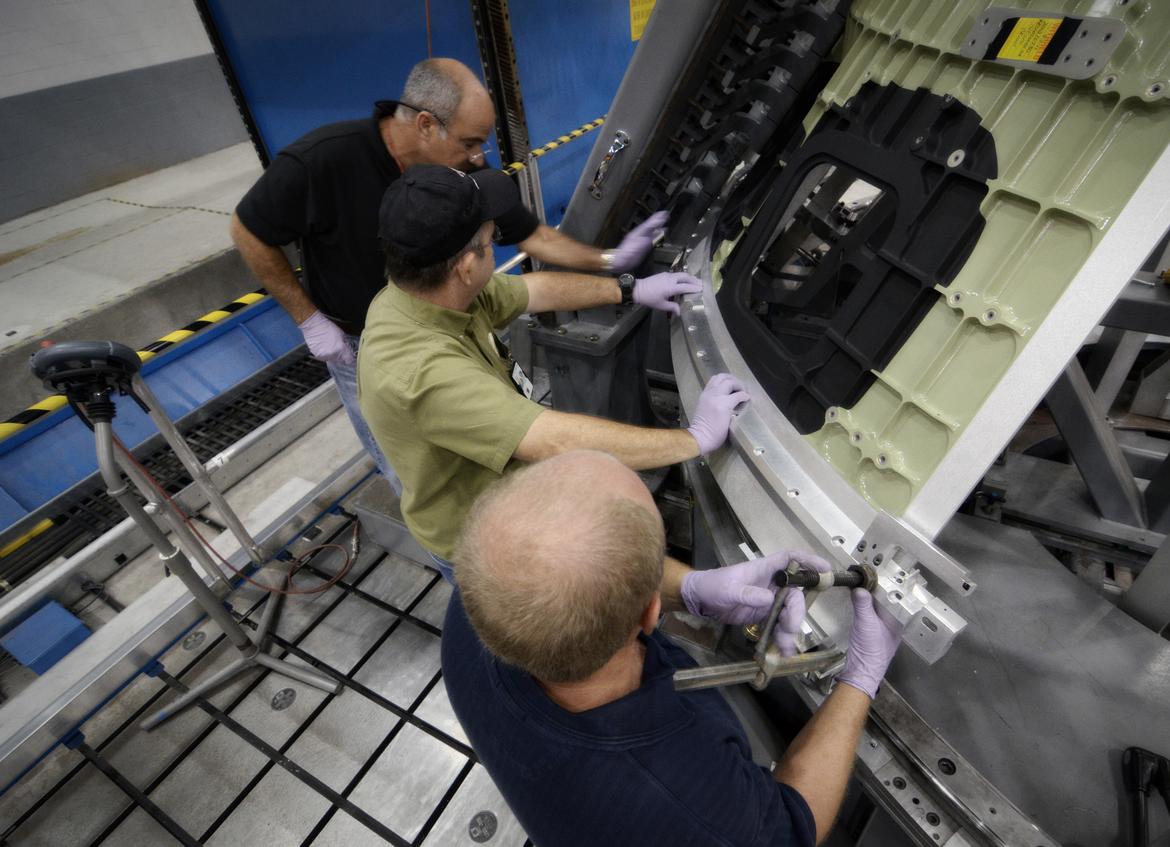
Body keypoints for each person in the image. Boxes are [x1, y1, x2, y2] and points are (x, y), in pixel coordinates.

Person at [230, 58, 668, 494]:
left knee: (481, 444)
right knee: (419, 471)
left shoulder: (459, 172)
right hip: (360, 342)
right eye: (471, 142)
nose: (478, 157)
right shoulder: (322, 161)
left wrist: (612, 263)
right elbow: (247, 230)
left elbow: (531, 258)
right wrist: (308, 319)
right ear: (425, 125)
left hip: (449, 320)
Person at [443, 450, 903, 846]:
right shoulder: (692, 808)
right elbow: (789, 830)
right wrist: (860, 679)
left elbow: (563, 567)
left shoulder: (478, 600)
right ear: (650, 613)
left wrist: (692, 587)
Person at [358, 165, 748, 581]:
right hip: (485, 543)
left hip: (513, 491)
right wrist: (693, 439)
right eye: (492, 242)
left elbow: (534, 291)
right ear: (464, 266)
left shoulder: (437, 295)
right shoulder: (417, 371)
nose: (498, 250)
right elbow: (555, 439)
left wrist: (630, 289)